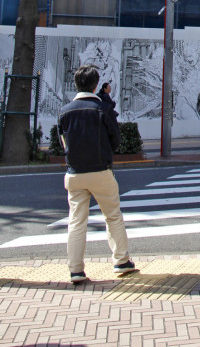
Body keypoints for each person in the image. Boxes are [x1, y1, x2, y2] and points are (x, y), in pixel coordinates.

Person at [58, 65, 136, 284]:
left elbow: (63, 142)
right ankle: (121, 260)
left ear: (76, 84)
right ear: (95, 85)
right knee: (113, 216)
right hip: (101, 170)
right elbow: (116, 141)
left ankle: (75, 269)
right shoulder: (103, 110)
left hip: (74, 173)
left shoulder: (65, 111)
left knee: (76, 221)